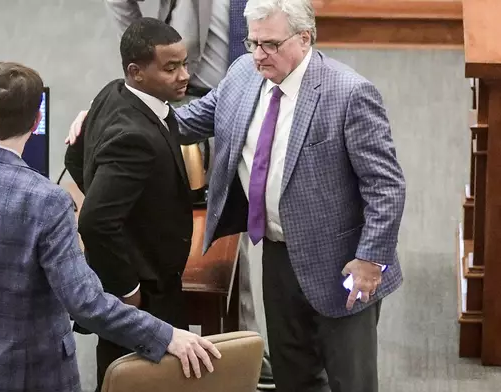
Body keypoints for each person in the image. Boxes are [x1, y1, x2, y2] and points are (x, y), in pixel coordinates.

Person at [68, 0, 406, 390]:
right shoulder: (244, 74)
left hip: (343, 265)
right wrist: (101, 115)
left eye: (270, 45)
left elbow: (387, 186)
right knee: (293, 372)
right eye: (253, 42)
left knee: (350, 380)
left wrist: (370, 261)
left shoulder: (349, 94)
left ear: (304, 38)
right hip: (279, 256)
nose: (258, 55)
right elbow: (180, 122)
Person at [0, 61, 220, 392]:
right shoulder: (47, 201)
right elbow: (87, 304)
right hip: (24, 379)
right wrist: (166, 336)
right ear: (36, 123)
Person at [102, 2, 276, 389]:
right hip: (174, 97)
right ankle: (213, 349)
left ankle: (240, 348)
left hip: (244, 95)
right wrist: (127, 101)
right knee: (187, 230)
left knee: (234, 230)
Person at [64, 18, 195, 392]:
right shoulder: (134, 138)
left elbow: (75, 157)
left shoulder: (112, 92)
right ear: (136, 72)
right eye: (171, 68)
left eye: (184, 63)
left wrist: (120, 205)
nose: (184, 75)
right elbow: (94, 223)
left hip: (149, 279)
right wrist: (127, 288)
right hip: (145, 293)